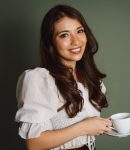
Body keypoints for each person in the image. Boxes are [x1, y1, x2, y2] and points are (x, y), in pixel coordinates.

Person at [15, 4, 112, 150]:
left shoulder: (89, 78)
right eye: (64, 35)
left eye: (79, 31)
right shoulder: (40, 79)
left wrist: (99, 125)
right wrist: (84, 127)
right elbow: (34, 144)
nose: (76, 41)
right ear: (51, 43)